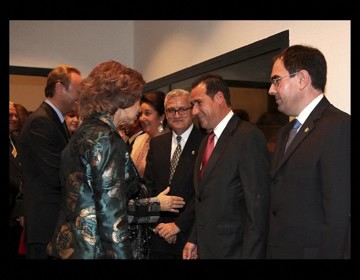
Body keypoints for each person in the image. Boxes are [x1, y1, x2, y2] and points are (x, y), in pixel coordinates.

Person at [46, 61, 185, 259]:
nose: (138, 108)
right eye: (137, 99)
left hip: (72, 247)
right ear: (123, 99)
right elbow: (111, 214)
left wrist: (154, 203)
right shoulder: (106, 138)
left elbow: (94, 198)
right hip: (95, 250)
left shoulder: (84, 131)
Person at [266, 45, 351, 259]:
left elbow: (337, 213)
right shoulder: (286, 131)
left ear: (302, 79)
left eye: (277, 80)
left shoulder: (338, 126)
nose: (271, 90)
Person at [183, 74, 271, 259]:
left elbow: (257, 208)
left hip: (235, 251)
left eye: (199, 103)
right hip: (207, 248)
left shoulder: (248, 137)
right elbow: (203, 200)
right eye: (193, 105)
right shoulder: (206, 142)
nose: (194, 111)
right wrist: (194, 239)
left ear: (219, 98)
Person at [19, 64, 82, 259]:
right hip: (46, 223)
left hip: (53, 222)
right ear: (60, 88)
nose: (79, 98)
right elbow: (56, 174)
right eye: (77, 91)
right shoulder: (41, 122)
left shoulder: (55, 119)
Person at [144, 89, 205, 259]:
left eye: (182, 109)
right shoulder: (157, 144)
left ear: (192, 110)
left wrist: (177, 225)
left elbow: (203, 194)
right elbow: (148, 187)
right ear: (165, 114)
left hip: (190, 238)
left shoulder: (205, 143)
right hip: (158, 235)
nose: (177, 114)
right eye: (171, 110)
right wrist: (160, 225)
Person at [131, 91, 169, 178]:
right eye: (140, 114)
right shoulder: (139, 139)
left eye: (147, 113)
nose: (141, 118)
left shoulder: (170, 141)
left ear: (162, 117)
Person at [9, 101, 25, 259]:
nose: (14, 118)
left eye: (15, 115)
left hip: (19, 213)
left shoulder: (18, 140)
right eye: (10, 115)